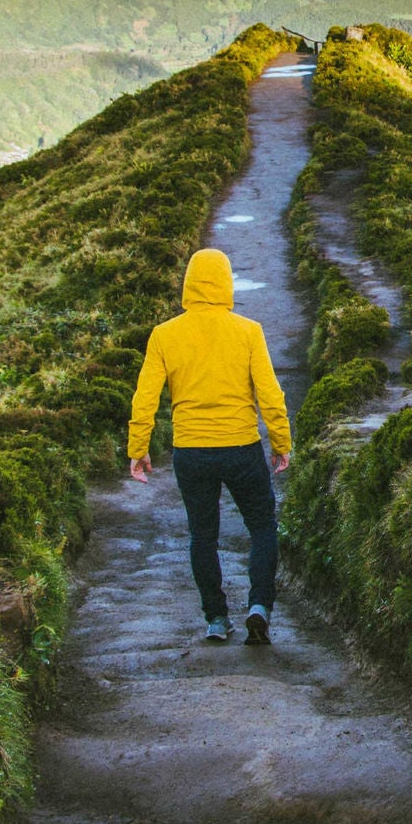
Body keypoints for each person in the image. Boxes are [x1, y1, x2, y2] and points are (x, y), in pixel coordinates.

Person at [127, 247, 292, 645]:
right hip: (241, 447)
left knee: (203, 537)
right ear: (225, 283)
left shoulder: (165, 334)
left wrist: (139, 447)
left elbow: (145, 396)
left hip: (191, 452)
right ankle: (259, 606)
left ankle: (216, 619)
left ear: (188, 284)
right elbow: (269, 394)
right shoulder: (248, 331)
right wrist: (281, 441)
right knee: (263, 528)